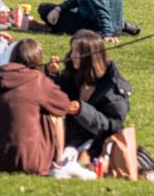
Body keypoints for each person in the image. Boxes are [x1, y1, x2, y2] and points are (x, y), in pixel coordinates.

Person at [0, 38, 84, 177]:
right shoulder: (37, 81)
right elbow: (63, 105)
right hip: (26, 160)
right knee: (53, 113)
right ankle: (58, 161)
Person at [55, 31, 142, 179]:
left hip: (97, 143)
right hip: (71, 137)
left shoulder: (111, 87)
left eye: (78, 51)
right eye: (72, 50)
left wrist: (83, 110)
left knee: (80, 157)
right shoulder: (72, 75)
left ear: (90, 56)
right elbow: (54, 96)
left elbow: (113, 125)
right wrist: (52, 75)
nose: (72, 55)